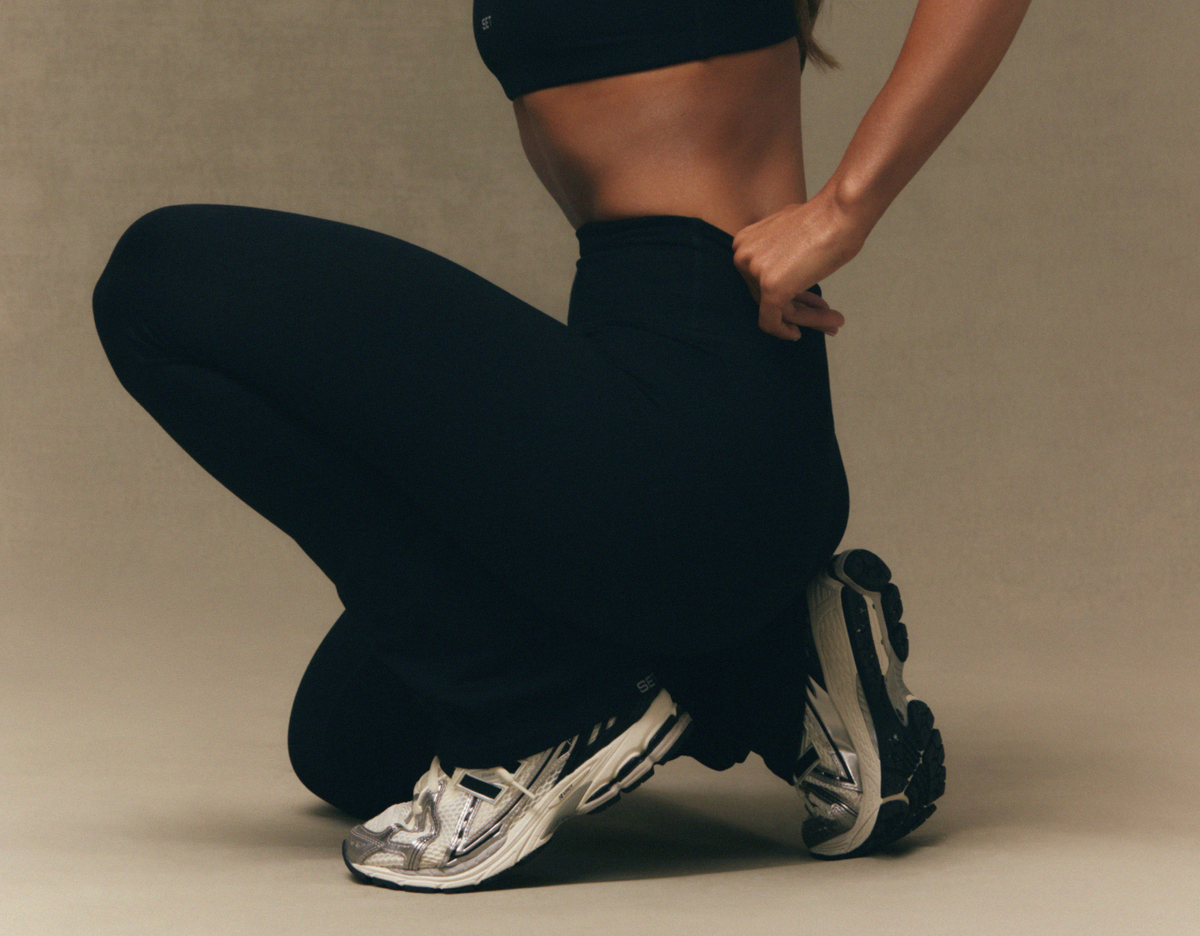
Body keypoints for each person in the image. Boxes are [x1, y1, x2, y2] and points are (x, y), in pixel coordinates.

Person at [92, 0, 1029, 892]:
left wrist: (845, 208)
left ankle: (540, 713)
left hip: (697, 439)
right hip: (658, 455)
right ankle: (778, 671)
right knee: (346, 743)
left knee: (159, 280)